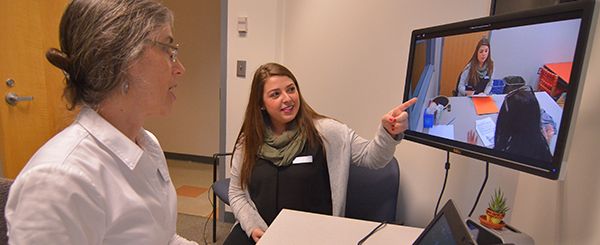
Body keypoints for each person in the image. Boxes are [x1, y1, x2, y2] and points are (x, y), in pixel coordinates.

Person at [5, 0, 196, 244]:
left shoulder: (147, 144)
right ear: (119, 60)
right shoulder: (58, 181)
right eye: (168, 50)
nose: (180, 68)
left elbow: (163, 238)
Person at [224, 63, 417, 244]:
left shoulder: (328, 133)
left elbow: (372, 158)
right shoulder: (248, 141)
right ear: (261, 104)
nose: (288, 98)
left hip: (310, 236)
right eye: (275, 94)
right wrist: (252, 226)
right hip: (261, 234)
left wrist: (388, 133)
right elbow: (236, 192)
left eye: (291, 89)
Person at [467, 86, 553, 165]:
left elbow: (488, 167)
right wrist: (546, 142)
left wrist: (473, 153)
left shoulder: (508, 152)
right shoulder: (540, 145)